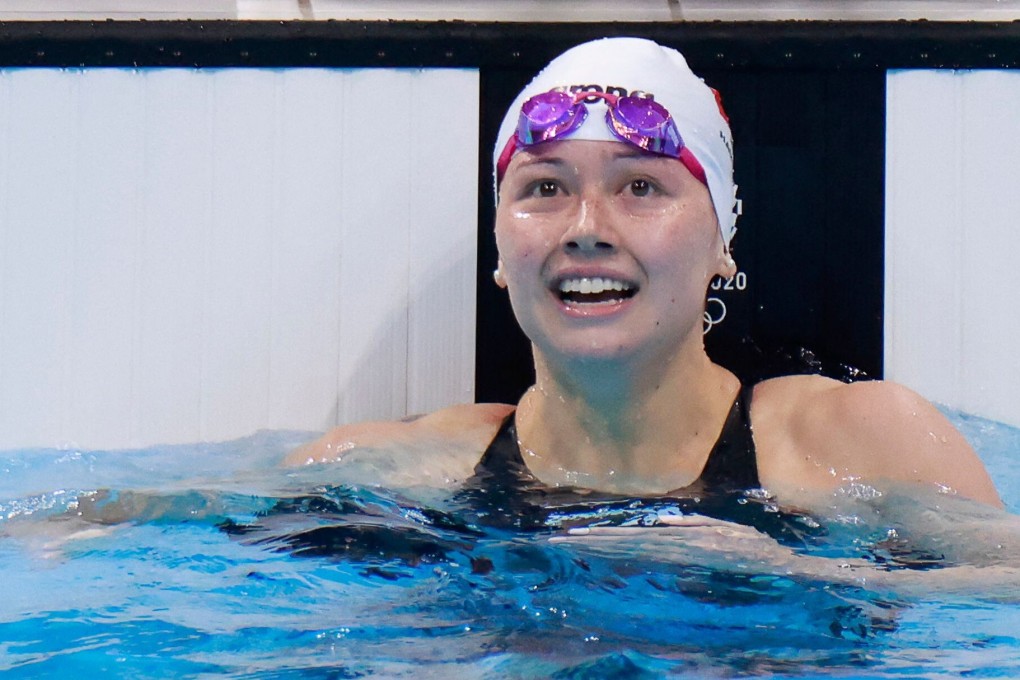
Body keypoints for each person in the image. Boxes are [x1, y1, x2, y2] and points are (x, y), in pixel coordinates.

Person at [283, 37, 1002, 516]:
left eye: (641, 188)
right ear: (500, 250)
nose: (586, 226)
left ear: (723, 240)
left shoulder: (867, 446)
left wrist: (767, 568)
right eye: (544, 188)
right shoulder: (383, 475)